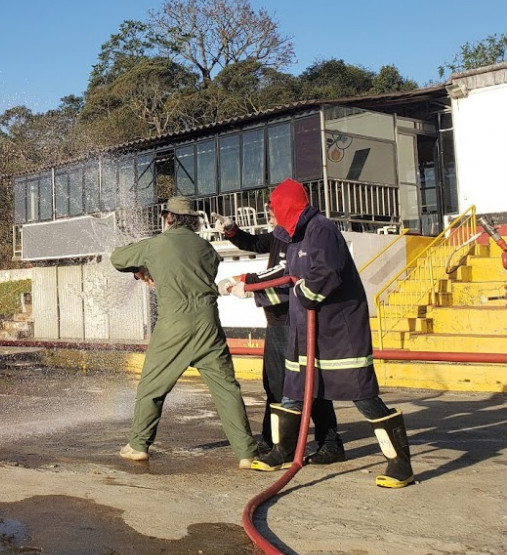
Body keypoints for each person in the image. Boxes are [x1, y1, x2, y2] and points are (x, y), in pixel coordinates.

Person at [254, 178, 414, 488]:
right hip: (306, 332)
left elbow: (325, 273)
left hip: (338, 332)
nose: (272, 215)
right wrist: (249, 287)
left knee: (362, 395)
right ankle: (282, 451)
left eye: (274, 209)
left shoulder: (321, 230)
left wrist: (302, 293)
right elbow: (289, 279)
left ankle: (400, 462)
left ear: (288, 207)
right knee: (292, 391)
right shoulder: (294, 237)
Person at [110, 196, 259, 468]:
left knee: (151, 387)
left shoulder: (156, 245)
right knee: (227, 390)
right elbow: (199, 272)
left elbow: (117, 258)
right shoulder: (206, 248)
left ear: (168, 218)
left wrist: (141, 270)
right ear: (193, 220)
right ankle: (246, 452)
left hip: (174, 326)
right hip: (208, 325)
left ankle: (139, 445)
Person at [213, 209, 345, 466]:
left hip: (294, 321)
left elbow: (283, 272)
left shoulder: (299, 238)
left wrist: (244, 281)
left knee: (309, 383)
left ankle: (330, 442)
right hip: (276, 324)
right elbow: (252, 243)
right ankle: (273, 437)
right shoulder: (278, 235)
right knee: (274, 384)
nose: (269, 218)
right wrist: (232, 230)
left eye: (273, 213)